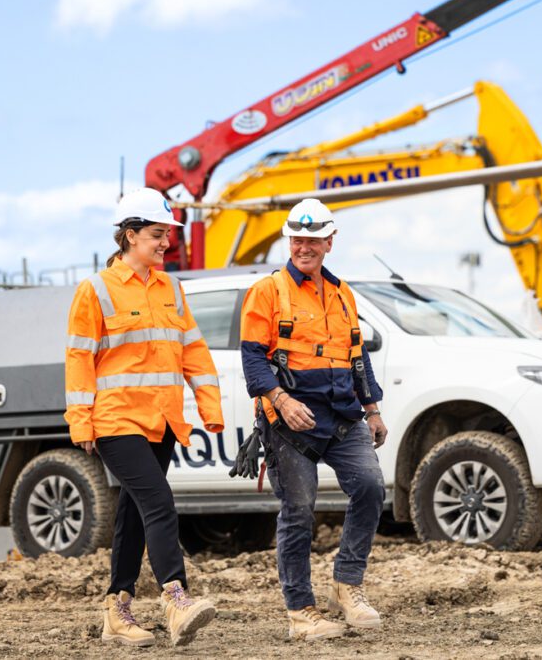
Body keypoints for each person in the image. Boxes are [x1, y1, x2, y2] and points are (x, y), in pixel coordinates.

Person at [64, 188, 223, 647]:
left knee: (133, 515)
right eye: (157, 234)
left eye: (165, 234)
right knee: (158, 502)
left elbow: (192, 349)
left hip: (162, 420)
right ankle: (176, 597)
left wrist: (209, 407)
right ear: (130, 236)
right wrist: (82, 422)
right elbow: (78, 358)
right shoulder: (94, 290)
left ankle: (117, 609)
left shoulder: (171, 287)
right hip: (115, 421)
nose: (165, 243)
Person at [240, 198, 388, 641]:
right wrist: (281, 401)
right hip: (291, 421)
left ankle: (348, 585)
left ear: (329, 241)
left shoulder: (342, 293)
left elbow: (355, 355)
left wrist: (373, 409)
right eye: (297, 239)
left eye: (313, 240)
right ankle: (301, 612)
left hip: (343, 414)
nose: (304, 247)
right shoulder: (267, 291)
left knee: (370, 487)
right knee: (299, 510)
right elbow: (252, 360)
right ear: (290, 240)